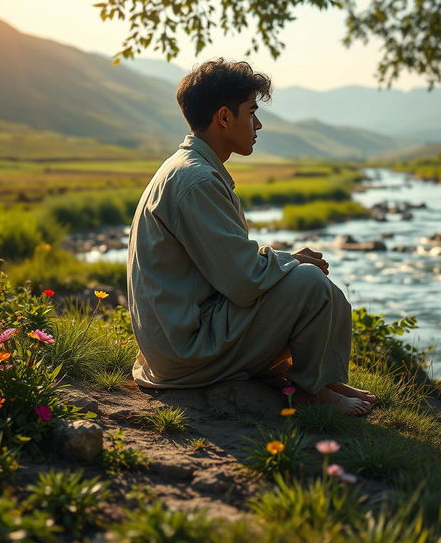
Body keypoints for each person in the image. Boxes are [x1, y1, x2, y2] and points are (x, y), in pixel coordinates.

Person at [127, 59, 375, 415]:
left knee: (301, 274)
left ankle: (324, 381)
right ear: (224, 118)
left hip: (178, 343)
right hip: (186, 353)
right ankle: (311, 391)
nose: (257, 125)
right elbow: (243, 281)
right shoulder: (197, 181)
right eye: (252, 112)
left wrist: (285, 259)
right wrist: (291, 261)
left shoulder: (191, 169)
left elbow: (227, 262)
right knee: (310, 282)